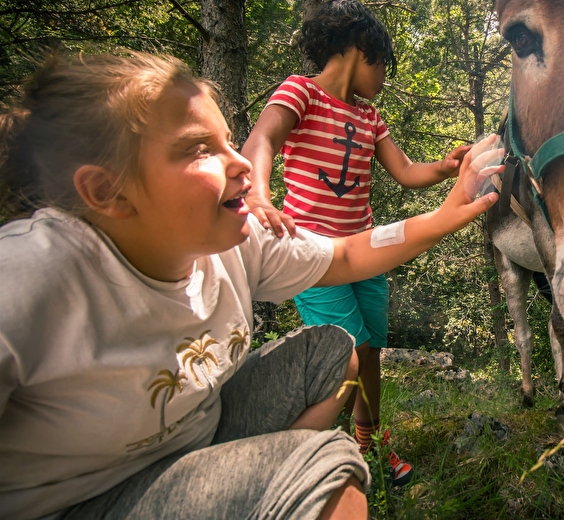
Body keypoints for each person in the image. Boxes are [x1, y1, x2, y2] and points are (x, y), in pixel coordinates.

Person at [0, 50, 503, 520]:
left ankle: (243, 491)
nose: (238, 162)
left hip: (197, 439)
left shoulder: (241, 244)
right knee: (324, 470)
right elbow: (264, 138)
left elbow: (348, 251)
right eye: (200, 149)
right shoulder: (25, 281)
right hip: (83, 500)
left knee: (335, 351)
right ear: (107, 191)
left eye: (226, 142)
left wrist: (444, 215)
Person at [242, 0, 470, 486]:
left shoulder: (369, 117)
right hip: (313, 257)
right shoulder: (301, 92)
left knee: (370, 354)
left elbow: (407, 172)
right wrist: (259, 195)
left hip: (366, 251)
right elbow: (262, 139)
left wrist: (447, 168)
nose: (384, 77)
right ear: (359, 49)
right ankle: (311, 456)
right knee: (346, 351)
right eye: (383, 64)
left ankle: (370, 445)